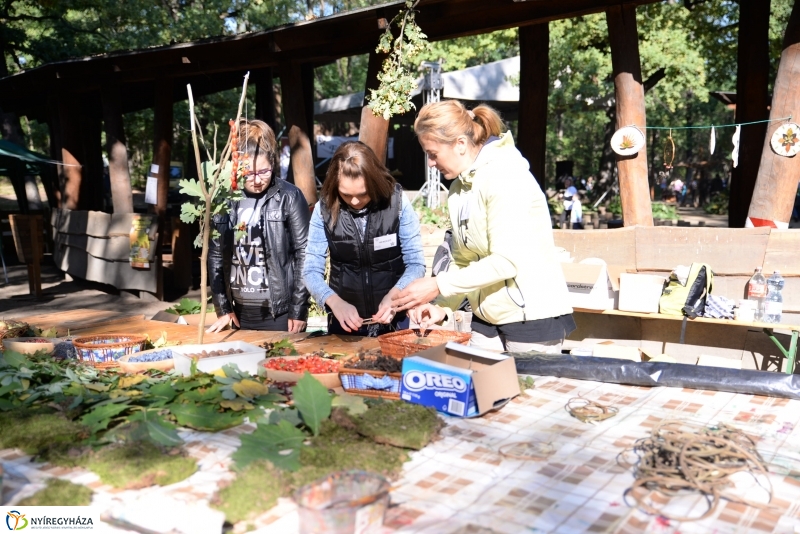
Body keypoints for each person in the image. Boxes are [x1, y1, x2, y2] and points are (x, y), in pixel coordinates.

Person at [392, 101, 575, 353]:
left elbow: (506, 262)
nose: (431, 163)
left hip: (531, 318)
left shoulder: (506, 176)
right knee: (479, 390)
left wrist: (438, 285)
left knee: (527, 392)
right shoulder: (459, 188)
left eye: (433, 154)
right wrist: (442, 305)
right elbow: (462, 258)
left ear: (460, 144)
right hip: (486, 318)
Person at [303, 141, 425, 336]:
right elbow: (310, 271)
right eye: (346, 194)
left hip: (395, 318)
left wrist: (394, 297)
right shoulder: (323, 209)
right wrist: (334, 302)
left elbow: (416, 264)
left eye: (363, 194)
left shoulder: (398, 202)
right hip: (344, 321)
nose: (355, 201)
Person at [206, 119, 311, 334]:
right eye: (249, 174)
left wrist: (298, 309)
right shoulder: (224, 199)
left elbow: (305, 254)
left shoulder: (289, 196)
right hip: (238, 312)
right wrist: (222, 307)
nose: (257, 180)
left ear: (272, 163)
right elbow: (216, 255)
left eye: (264, 172)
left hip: (280, 314)